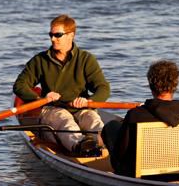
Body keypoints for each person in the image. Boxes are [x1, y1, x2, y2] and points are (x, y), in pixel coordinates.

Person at [13, 14, 110, 156]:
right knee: (64, 119)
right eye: (51, 35)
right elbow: (19, 86)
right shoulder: (40, 60)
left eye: (57, 35)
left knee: (93, 120)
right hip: (53, 109)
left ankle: (108, 145)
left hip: (81, 109)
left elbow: (103, 88)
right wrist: (41, 99)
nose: (53, 39)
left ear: (71, 35)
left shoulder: (86, 59)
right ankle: (80, 147)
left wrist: (89, 101)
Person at [102, 60, 179, 177]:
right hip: (177, 174)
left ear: (150, 85)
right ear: (175, 85)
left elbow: (121, 154)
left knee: (111, 126)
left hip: (140, 174)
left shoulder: (135, 115)